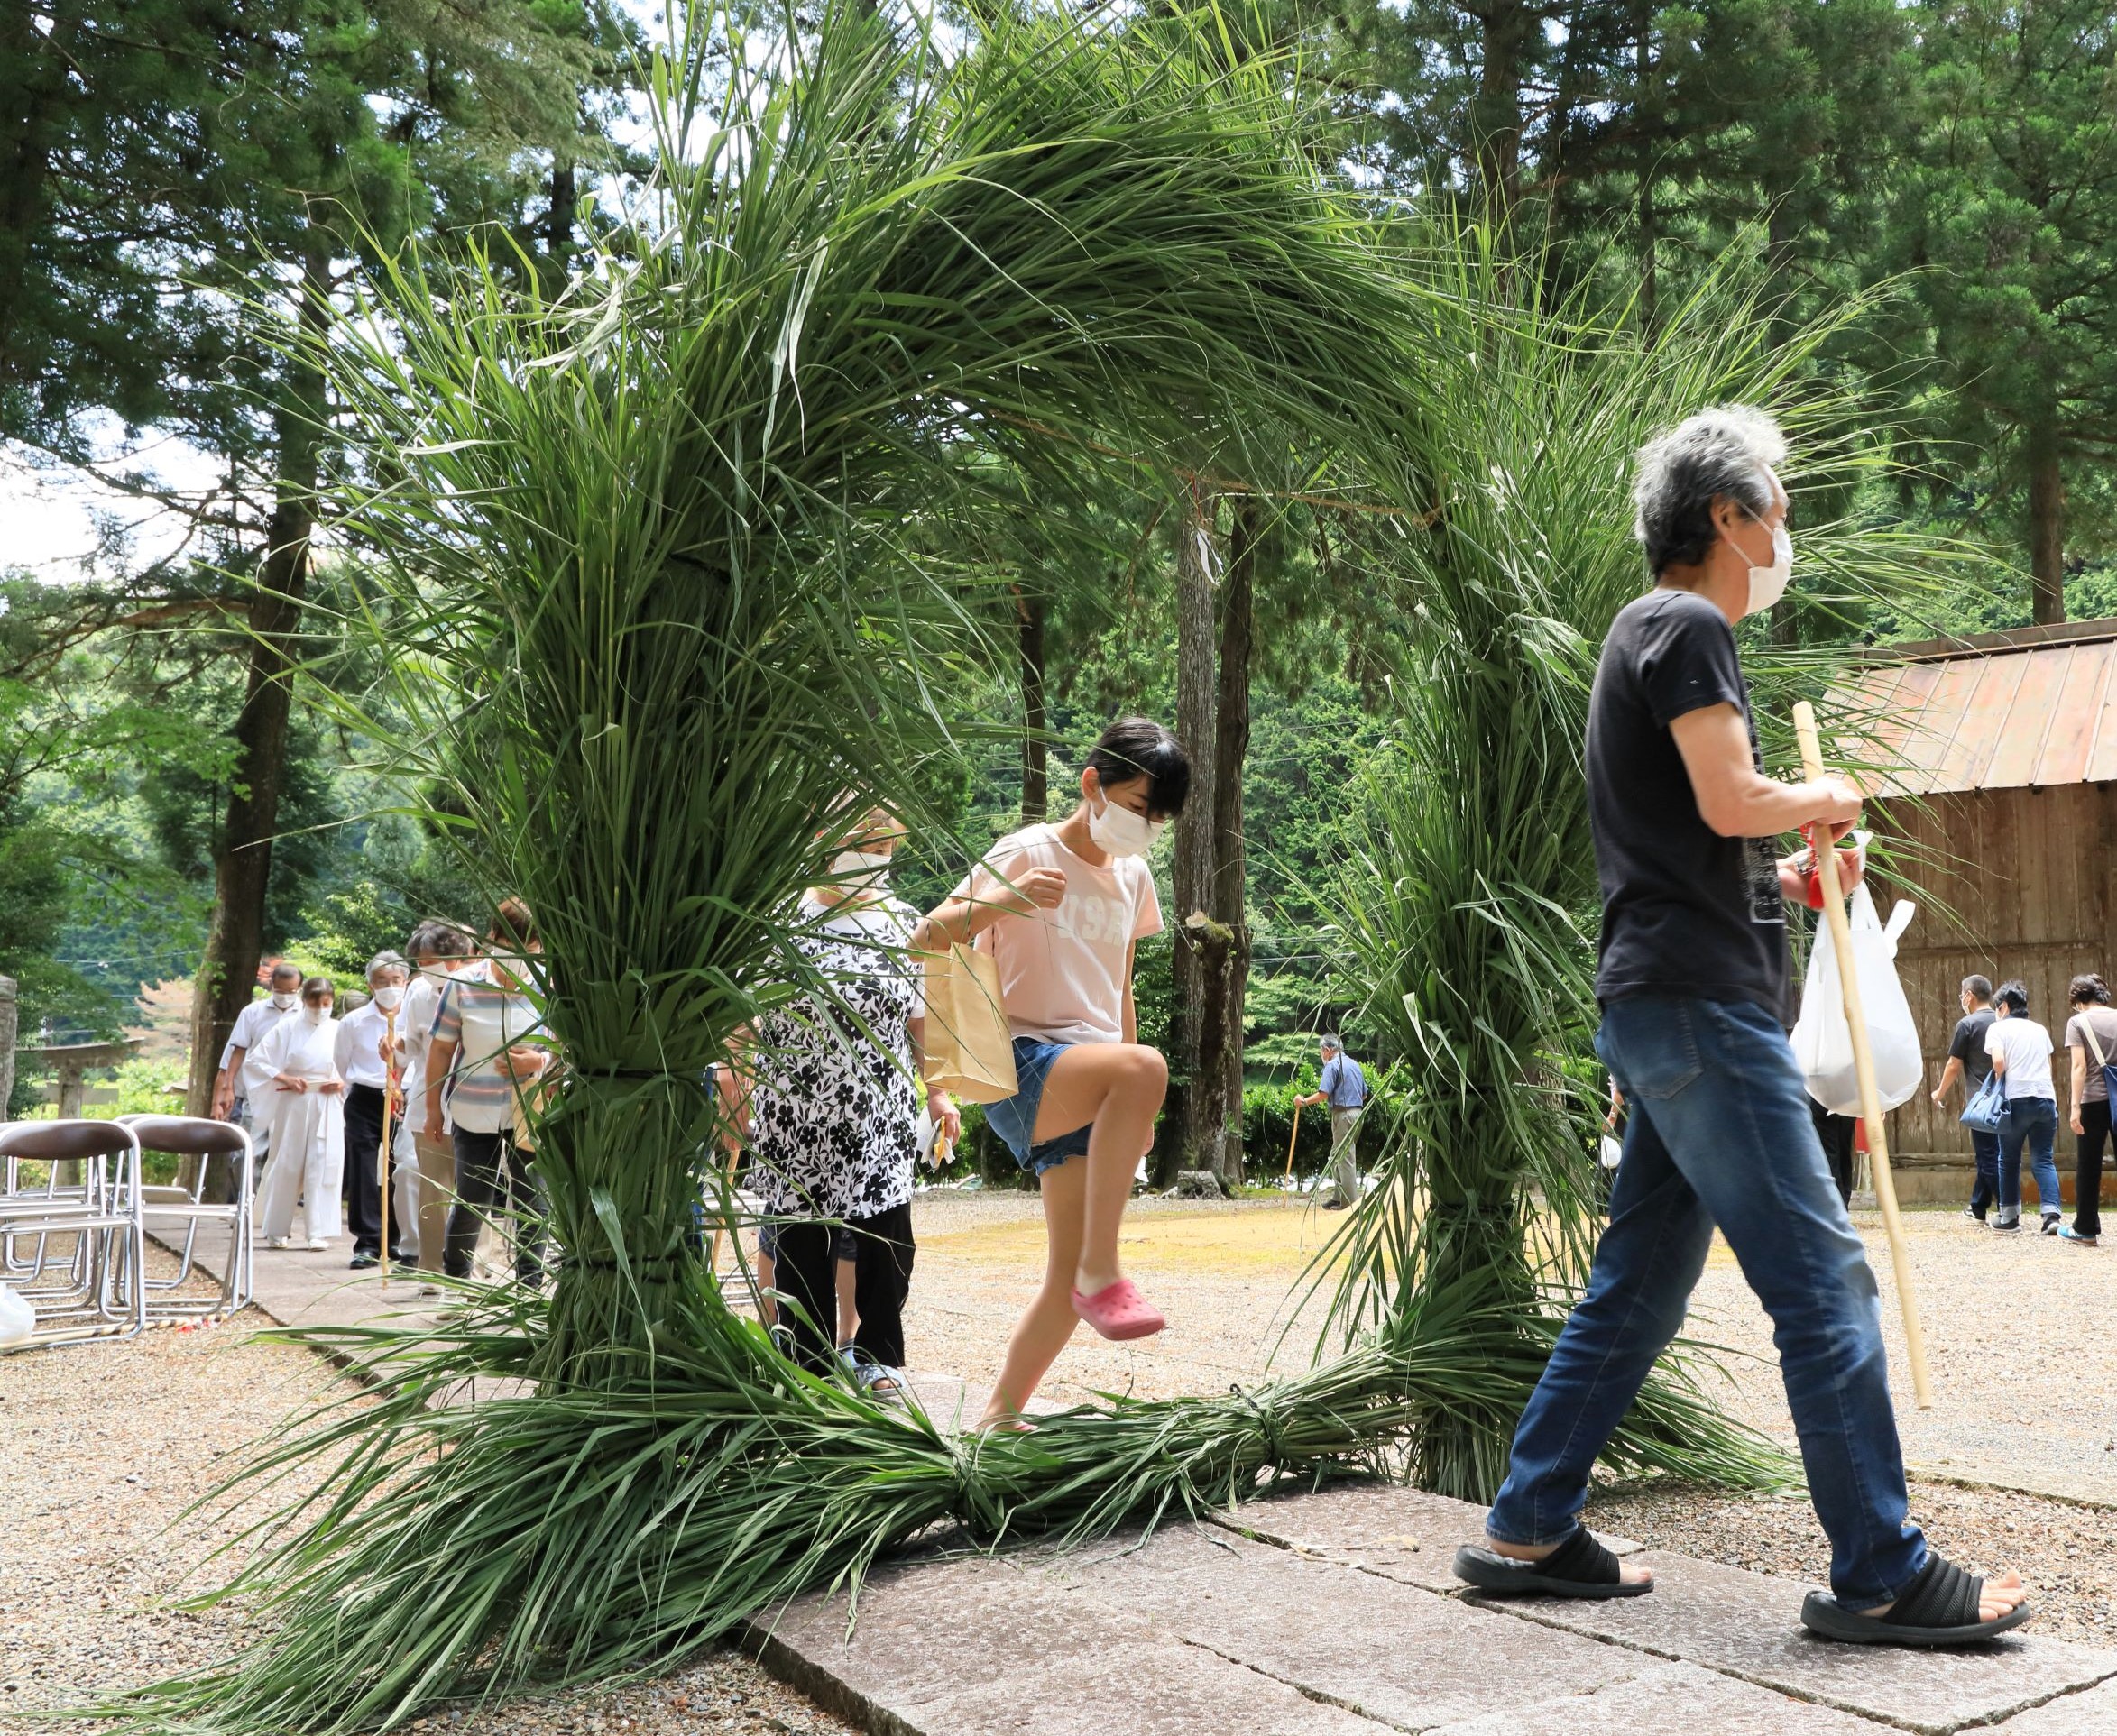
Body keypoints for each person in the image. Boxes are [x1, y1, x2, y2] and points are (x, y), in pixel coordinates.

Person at [1453, 407, 2028, 1644]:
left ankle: (1528, 1522)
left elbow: (1695, 832)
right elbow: (1726, 798)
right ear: (1726, 515)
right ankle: (1880, 1571)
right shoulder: (1685, 624)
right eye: (1778, 508)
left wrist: (1791, 872)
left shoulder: (1645, 633)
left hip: (1662, 1000)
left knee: (1635, 1287)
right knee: (1821, 1280)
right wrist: (1820, 794)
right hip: (1702, 1010)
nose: (1785, 532)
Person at [916, 716, 1184, 1428]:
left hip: (1092, 1078)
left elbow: (1119, 988)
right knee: (1145, 1066)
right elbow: (925, 935)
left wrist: (1136, 1106)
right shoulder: (1025, 850)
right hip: (1023, 1063)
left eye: (1157, 819)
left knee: (1064, 1279)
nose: (1145, 828)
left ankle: (998, 1416)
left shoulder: (1133, 874)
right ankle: (1106, 1267)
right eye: (1137, 807)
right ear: (1092, 783)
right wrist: (1006, 899)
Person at [733, 809, 954, 1396]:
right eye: (862, 842)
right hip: (796, 1111)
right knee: (800, 1241)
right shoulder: (782, 921)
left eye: (884, 846)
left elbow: (919, 1022)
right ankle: (807, 1362)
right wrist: (734, 1084)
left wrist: (938, 1092)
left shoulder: (904, 923)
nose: (873, 856)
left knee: (887, 1237)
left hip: (879, 1111)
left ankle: (878, 1357)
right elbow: (745, 1017)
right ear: (822, 839)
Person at [423, 900, 551, 1284]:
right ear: (492, 937)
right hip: (472, 1107)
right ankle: (456, 1282)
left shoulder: (551, 984)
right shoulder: (463, 983)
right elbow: (441, 1049)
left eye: (530, 948)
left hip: (530, 1109)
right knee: (472, 1199)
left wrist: (540, 1061)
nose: (519, 956)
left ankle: (530, 1286)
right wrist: (433, 1109)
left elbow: (571, 1047)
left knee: (532, 1200)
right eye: (510, 945)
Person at [391, 921, 477, 1293]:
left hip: (475, 1101)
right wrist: (394, 1048)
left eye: (430, 962)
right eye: (420, 963)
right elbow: (411, 1046)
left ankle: (473, 1270)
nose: (425, 969)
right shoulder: (418, 992)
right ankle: (432, 1271)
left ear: (454, 957)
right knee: (432, 1190)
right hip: (428, 1101)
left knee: (475, 1191)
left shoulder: (480, 987)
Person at [253, 976, 347, 1251]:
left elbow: (354, 1065)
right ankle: (276, 1228)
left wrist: (341, 1082)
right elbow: (258, 1059)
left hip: (328, 1100)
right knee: (287, 1161)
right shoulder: (288, 1026)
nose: (321, 1009)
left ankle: (317, 1230)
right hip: (294, 1099)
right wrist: (285, 1078)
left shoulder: (339, 1028)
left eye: (326, 1004)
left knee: (322, 1161)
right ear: (304, 1001)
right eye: (315, 1004)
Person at [335, 951, 415, 1271]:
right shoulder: (353, 1022)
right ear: (371, 985)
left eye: (396, 980)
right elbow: (342, 1063)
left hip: (405, 1098)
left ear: (406, 982)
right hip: (365, 1098)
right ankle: (368, 1242)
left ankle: (396, 1239)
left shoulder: (414, 1017)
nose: (390, 987)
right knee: (364, 1168)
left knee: (401, 1168)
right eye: (382, 981)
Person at [1985, 980, 2062, 1234]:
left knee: (2008, 1159)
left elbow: (1998, 1062)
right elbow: (2048, 1066)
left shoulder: (1998, 1029)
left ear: (2004, 1007)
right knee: (2044, 1159)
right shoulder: (2040, 1030)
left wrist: (1999, 1082)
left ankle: (2009, 1218)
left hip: (2015, 1100)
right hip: (2045, 1099)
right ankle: (2051, 1217)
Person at [210, 960, 303, 1161]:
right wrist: (226, 1089)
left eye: (291, 991)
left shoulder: (305, 1015)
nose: (285, 996)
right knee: (248, 1152)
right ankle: (246, 1181)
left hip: (291, 1094)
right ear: (271, 985)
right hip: (254, 1093)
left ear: (299, 988)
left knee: (284, 1154)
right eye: (280, 991)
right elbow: (236, 1052)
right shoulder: (252, 1012)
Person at [1931, 975, 1999, 1224]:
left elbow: (1953, 1064)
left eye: (1962, 994)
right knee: (1996, 1154)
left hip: (1981, 1101)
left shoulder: (1967, 1024)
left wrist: (1939, 1092)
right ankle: (1978, 1206)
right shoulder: (2002, 1020)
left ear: (1969, 995)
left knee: (1987, 1156)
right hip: (2007, 1098)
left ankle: (2009, 1207)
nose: (1961, 999)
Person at [2060, 973, 2115, 1246]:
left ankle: (2085, 1229)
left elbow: (2079, 1066)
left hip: (2092, 1100)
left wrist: (2074, 1107)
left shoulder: (2078, 1022)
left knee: (2089, 1164)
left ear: (2078, 999)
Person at [1294, 1034, 1368, 1209]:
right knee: (1336, 1155)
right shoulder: (1354, 1064)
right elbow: (1364, 1094)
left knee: (1344, 1158)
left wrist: (1303, 1101)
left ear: (1327, 1050)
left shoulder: (1332, 1065)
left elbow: (1324, 1094)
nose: (1321, 1054)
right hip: (1357, 1113)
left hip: (1343, 1114)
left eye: (1321, 1050)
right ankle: (1338, 1197)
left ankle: (1350, 1204)